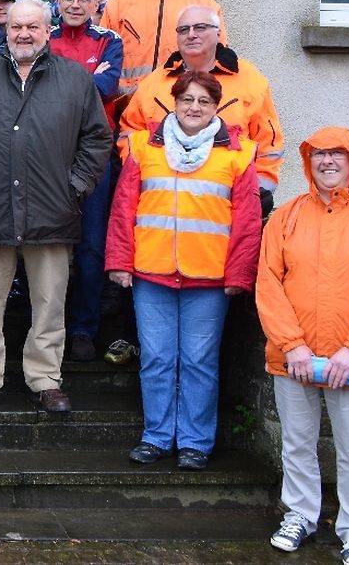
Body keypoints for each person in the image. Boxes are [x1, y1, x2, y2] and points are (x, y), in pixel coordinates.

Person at [0, 0, 111, 414]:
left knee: (50, 303)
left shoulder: (75, 79)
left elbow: (97, 139)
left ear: (47, 30)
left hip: (52, 212)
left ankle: (45, 379)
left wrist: (74, 188)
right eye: (16, 26)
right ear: (6, 30)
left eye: (32, 27)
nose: (23, 34)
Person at [257, 127, 349, 565]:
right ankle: (300, 515)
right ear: (309, 163)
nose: (327, 161)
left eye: (337, 154)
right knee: (297, 444)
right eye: (319, 154)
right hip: (294, 361)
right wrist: (293, 345)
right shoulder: (285, 218)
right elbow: (268, 285)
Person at [105, 71, 262, 471]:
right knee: (156, 359)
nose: (194, 107)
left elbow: (247, 222)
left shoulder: (239, 154)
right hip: (151, 272)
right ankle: (156, 436)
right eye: (187, 99)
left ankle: (195, 442)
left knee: (199, 362)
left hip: (208, 277)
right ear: (174, 103)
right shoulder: (143, 146)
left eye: (204, 101)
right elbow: (124, 208)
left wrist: (239, 275)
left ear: (216, 107)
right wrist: (119, 261)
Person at [120, 5, 284, 212]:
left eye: (200, 27)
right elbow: (129, 135)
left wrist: (258, 191)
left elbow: (269, 145)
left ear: (218, 32)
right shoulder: (153, 83)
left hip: (227, 203)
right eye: (184, 29)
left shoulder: (250, 81)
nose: (191, 35)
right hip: (163, 203)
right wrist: (139, 179)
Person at [48, 0, 122, 362]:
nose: (75, 6)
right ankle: (47, 329)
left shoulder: (111, 41)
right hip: (48, 152)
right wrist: (84, 80)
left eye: (83, 0)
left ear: (96, 5)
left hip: (94, 153)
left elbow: (105, 88)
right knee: (47, 242)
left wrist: (59, 84)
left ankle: (82, 328)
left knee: (92, 244)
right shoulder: (43, 37)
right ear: (58, 2)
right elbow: (35, 87)